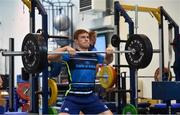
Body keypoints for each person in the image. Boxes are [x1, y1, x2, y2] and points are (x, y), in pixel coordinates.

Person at [48, 29, 113, 115]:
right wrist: (65, 48)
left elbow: (108, 61)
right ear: (76, 41)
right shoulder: (71, 55)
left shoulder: (95, 55)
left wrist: (110, 53)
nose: (86, 39)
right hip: (73, 97)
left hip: (90, 96)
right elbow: (50, 57)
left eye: (87, 37)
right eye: (82, 37)